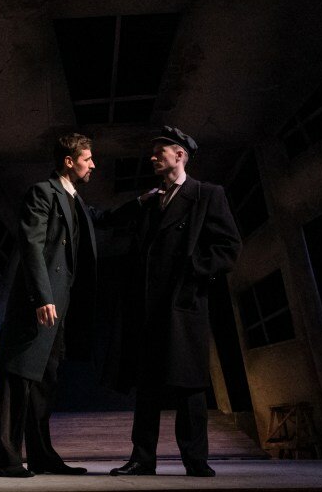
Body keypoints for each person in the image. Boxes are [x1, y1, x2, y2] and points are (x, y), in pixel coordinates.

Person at [105, 126, 242, 477]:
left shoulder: (207, 194)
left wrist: (192, 272)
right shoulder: (152, 200)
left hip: (183, 306)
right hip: (148, 307)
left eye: (159, 151)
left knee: (189, 385)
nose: (152, 157)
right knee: (147, 386)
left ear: (179, 155)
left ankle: (195, 460)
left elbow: (228, 247)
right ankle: (142, 459)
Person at [0, 133, 99, 477]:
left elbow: (100, 219)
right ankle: (6, 458)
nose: (93, 165)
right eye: (87, 159)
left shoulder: (75, 200)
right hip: (39, 302)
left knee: (44, 381)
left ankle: (41, 455)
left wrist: (141, 202)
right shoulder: (43, 192)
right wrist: (42, 296)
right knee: (17, 376)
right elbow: (31, 245)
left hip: (59, 306)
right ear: (69, 161)